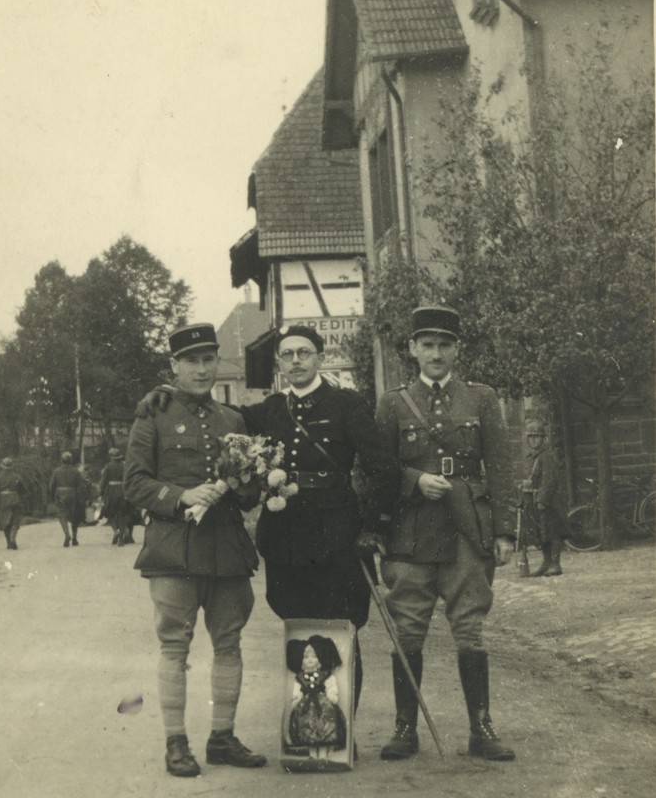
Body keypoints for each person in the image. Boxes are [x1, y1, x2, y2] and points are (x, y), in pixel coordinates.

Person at [137, 323, 398, 720]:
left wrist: (372, 527)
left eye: (304, 353)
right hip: (287, 539)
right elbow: (212, 414)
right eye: (288, 355)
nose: (296, 361)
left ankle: (337, 732)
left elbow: (384, 469)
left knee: (340, 629)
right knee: (299, 630)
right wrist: (168, 392)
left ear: (320, 358)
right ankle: (307, 728)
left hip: (337, 537)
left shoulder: (347, 406)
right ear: (279, 362)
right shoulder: (269, 411)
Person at [374, 305, 517, 762]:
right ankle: (404, 729)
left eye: (445, 345)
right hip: (410, 534)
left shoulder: (481, 399)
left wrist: (505, 532)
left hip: (466, 532)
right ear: (413, 349)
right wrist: (413, 481)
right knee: (408, 631)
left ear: (457, 349)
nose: (436, 353)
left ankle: (481, 727)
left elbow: (500, 467)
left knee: (470, 628)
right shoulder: (392, 403)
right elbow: (377, 470)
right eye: (427, 345)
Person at [124, 322, 266, 778]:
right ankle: (176, 742)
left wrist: (250, 486)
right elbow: (134, 483)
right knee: (174, 646)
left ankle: (222, 737)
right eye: (192, 361)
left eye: (209, 360)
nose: (202, 369)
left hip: (227, 549)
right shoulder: (154, 414)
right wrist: (181, 496)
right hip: (174, 551)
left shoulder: (233, 420)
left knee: (229, 642)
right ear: (174, 367)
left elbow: (246, 495)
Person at [286, 635, 347, 753]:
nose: (310, 660)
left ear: (319, 661)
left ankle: (326, 741)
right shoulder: (300, 677)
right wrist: (296, 697)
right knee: (304, 720)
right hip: (305, 703)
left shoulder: (325, 675)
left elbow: (330, 684)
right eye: (306, 657)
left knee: (327, 716)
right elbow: (297, 688)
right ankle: (307, 742)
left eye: (314, 657)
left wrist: (332, 693)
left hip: (322, 701)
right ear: (301, 662)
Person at [524, 421, 567, 577]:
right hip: (538, 500)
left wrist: (542, 500)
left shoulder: (547, 456)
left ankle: (555, 564)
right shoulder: (535, 457)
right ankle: (546, 562)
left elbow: (549, 480)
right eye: (531, 437)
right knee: (542, 532)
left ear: (543, 439)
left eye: (537, 437)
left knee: (553, 532)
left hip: (550, 501)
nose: (533, 440)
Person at [49, 452, 88, 548]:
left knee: (62, 516)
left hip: (60, 495)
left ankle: (67, 534)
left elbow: (51, 486)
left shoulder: (56, 471)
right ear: (70, 460)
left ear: (61, 460)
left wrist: (52, 496)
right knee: (74, 517)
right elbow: (81, 485)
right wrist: (83, 496)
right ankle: (74, 538)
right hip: (73, 495)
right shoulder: (75, 471)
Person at [0, 457, 27, 551]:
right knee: (15, 520)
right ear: (12, 466)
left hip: (2, 500)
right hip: (15, 499)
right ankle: (13, 538)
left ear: (2, 466)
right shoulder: (17, 476)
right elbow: (23, 490)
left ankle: (9, 543)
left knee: (5, 522)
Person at [99, 448, 130, 546]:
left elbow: (103, 481)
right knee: (123, 514)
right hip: (122, 491)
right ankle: (121, 538)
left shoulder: (107, 467)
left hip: (111, 492)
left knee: (110, 513)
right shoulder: (125, 466)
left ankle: (115, 531)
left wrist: (101, 493)